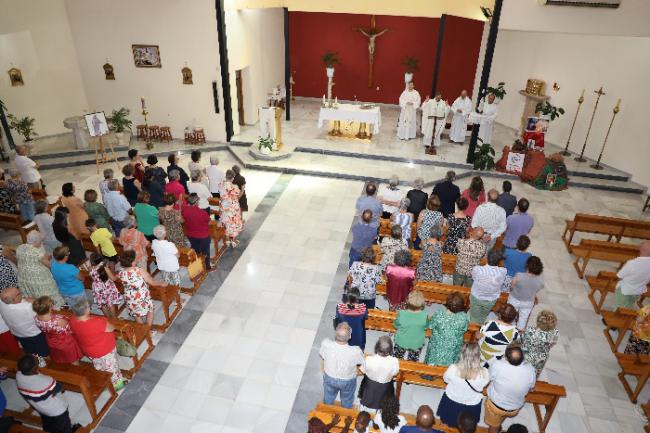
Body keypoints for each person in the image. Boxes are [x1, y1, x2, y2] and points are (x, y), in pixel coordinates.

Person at [69, 298, 125, 389]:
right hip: (104, 350)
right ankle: (117, 384)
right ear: (87, 310)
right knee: (112, 367)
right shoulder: (96, 322)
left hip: (89, 350)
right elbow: (111, 328)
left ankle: (103, 376)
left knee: (98, 364)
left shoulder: (72, 321)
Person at [15, 354, 81, 433]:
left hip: (40, 407)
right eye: (36, 361)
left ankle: (49, 430)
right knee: (64, 426)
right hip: (57, 410)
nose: (36, 358)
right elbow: (60, 387)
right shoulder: (45, 381)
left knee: (48, 422)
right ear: (34, 368)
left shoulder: (18, 376)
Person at [484, 346, 536, 433]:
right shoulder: (530, 369)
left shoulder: (498, 365)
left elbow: (487, 378)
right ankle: (498, 423)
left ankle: (495, 427)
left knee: (493, 427)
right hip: (514, 409)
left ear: (507, 358)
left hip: (496, 406)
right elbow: (532, 387)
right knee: (502, 416)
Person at [436, 343, 489, 427]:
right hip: (472, 404)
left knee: (446, 420)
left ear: (462, 354)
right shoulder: (484, 373)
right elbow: (484, 385)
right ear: (478, 356)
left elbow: (446, 380)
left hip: (452, 400)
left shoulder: (453, 368)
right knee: (466, 425)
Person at [319, 322, 365, 408]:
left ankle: (327, 409)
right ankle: (345, 411)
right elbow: (362, 364)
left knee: (328, 396)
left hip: (329, 377)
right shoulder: (356, 351)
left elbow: (322, 355)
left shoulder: (326, 343)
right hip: (347, 380)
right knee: (347, 399)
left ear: (335, 334)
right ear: (350, 336)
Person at [16, 231, 65, 307]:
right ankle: (54, 307)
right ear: (35, 241)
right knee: (46, 294)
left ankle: (38, 306)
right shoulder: (38, 253)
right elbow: (50, 266)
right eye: (40, 241)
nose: (41, 243)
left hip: (24, 276)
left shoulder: (20, 248)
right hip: (38, 278)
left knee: (32, 293)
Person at [0, 287, 49, 358]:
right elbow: (44, 310)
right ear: (14, 299)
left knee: (29, 350)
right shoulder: (28, 307)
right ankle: (44, 361)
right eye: (19, 293)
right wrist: (35, 301)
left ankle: (33, 359)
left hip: (18, 334)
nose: (21, 292)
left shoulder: (2, 302)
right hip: (34, 334)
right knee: (43, 352)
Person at [33, 296, 83, 364]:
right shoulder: (58, 320)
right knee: (72, 357)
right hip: (65, 342)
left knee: (60, 355)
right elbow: (70, 328)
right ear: (49, 308)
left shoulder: (36, 318)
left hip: (51, 340)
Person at [119, 250, 163, 326]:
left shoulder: (121, 272)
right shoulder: (139, 270)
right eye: (135, 258)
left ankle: (142, 328)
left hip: (130, 296)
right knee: (150, 311)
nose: (137, 258)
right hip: (141, 296)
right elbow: (152, 282)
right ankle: (148, 329)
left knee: (136, 313)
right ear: (132, 262)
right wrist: (161, 283)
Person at [425, 293, 469, 366]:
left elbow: (431, 325)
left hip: (437, 344)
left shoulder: (439, 314)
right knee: (451, 361)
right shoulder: (463, 317)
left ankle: (429, 372)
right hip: (454, 345)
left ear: (447, 304)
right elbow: (465, 329)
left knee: (433, 360)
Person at [358, 336, 399, 411]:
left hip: (369, 384)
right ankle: (379, 410)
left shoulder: (368, 359)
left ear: (376, 347)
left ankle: (363, 407)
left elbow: (362, 370)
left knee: (367, 397)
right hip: (386, 385)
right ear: (390, 349)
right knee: (383, 400)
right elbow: (395, 373)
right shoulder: (394, 361)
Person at [469, 249, 507, 324]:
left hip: (477, 297)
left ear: (487, 258)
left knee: (474, 316)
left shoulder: (477, 269)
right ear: (499, 261)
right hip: (491, 299)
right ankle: (480, 323)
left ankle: (474, 328)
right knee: (484, 315)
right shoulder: (503, 271)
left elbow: (473, 278)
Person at [509, 256, 544, 330]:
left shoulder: (519, 275)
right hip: (528, 302)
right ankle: (518, 333)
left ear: (527, 266)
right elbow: (537, 289)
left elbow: (511, 286)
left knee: (510, 315)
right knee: (523, 318)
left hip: (514, 299)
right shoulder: (541, 280)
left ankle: (509, 328)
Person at [612, 240, 650, 310]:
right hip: (638, 291)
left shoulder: (632, 264)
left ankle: (614, 320)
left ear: (642, 249)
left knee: (618, 308)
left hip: (625, 290)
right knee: (628, 306)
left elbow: (619, 276)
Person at [521, 310, 559, 376]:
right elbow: (553, 343)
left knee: (522, 369)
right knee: (535, 372)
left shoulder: (530, 331)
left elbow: (522, 340)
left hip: (526, 353)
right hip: (542, 356)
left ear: (538, 321)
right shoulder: (555, 332)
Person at [393, 290, 428, 361]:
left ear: (407, 302)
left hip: (401, 341)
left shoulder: (402, 313)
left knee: (397, 358)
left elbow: (396, 325)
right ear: (422, 304)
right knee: (413, 360)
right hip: (417, 343)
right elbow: (426, 327)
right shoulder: (424, 315)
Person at [182, 193, 212, 269]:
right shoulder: (202, 212)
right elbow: (209, 222)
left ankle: (198, 264)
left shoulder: (184, 209)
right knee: (206, 251)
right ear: (196, 202)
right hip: (203, 236)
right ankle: (207, 266)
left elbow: (183, 220)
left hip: (191, 234)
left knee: (196, 250)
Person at [88, 253, 122, 318]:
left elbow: (93, 276)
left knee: (102, 304)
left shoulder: (90, 268)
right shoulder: (104, 268)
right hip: (107, 286)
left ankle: (108, 318)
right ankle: (114, 319)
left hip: (97, 288)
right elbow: (113, 278)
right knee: (110, 303)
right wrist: (117, 275)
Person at [471, 189, 506, 253]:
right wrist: (491, 236)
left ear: (487, 197)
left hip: (479, 236)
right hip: (491, 237)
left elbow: (474, 224)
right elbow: (503, 227)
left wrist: (480, 235)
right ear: (498, 199)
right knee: (486, 256)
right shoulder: (502, 211)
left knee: (476, 253)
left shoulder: (480, 208)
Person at [219, 170, 243, 248]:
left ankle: (227, 240)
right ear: (233, 178)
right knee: (233, 223)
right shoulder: (234, 187)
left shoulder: (221, 184)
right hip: (232, 207)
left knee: (226, 222)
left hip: (224, 205)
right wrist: (242, 189)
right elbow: (238, 196)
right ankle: (233, 240)